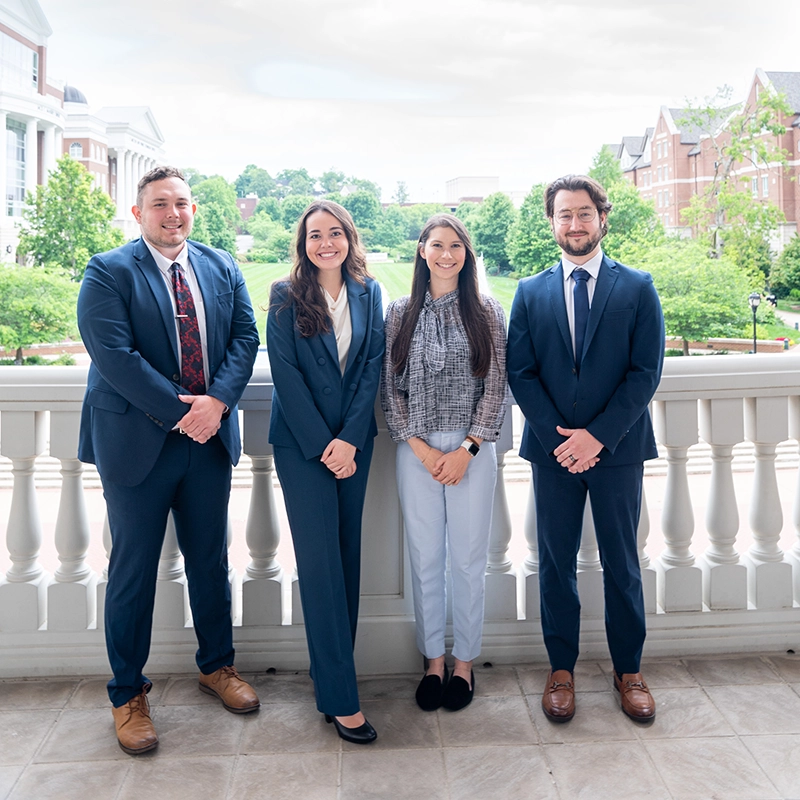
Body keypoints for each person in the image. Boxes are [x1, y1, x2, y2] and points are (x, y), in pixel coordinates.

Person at [77, 166, 261, 755]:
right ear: (139, 214)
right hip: (137, 442)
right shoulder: (108, 270)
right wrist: (187, 412)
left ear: (194, 210)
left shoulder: (221, 265)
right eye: (160, 204)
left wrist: (219, 402)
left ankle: (217, 667)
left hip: (208, 441)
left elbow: (244, 337)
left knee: (211, 559)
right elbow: (115, 356)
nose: (172, 213)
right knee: (133, 570)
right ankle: (126, 693)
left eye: (181, 203)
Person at [507, 175, 664, 724]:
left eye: (584, 214)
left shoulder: (639, 287)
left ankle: (630, 671)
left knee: (623, 562)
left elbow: (646, 373)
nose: (574, 224)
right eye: (564, 215)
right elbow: (521, 374)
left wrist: (597, 436)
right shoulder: (529, 292)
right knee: (555, 563)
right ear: (552, 222)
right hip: (553, 453)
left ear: (602, 218)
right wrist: (563, 440)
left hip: (618, 450)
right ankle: (561, 671)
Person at [267, 200, 384, 744]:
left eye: (334, 233)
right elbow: (286, 378)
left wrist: (350, 440)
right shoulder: (284, 296)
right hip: (303, 449)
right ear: (304, 243)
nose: (326, 243)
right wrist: (323, 445)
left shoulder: (369, 292)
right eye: (315, 235)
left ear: (348, 238)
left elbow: (371, 370)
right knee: (320, 568)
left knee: (348, 560)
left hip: (353, 447)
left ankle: (329, 671)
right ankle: (341, 699)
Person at [381, 214, 507, 712]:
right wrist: (423, 448)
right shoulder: (399, 313)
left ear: (466, 253)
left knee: (469, 559)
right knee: (425, 558)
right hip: (416, 451)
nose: (446, 254)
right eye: (438, 244)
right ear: (421, 250)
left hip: (471, 451)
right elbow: (390, 389)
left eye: (456, 245)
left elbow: (496, 387)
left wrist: (467, 450)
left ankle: (464, 664)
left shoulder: (487, 312)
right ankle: (433, 660)